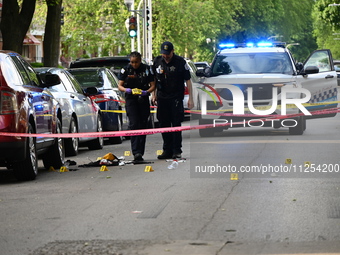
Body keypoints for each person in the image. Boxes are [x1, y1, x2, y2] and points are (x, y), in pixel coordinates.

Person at [152, 41, 194, 160]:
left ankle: (177, 150)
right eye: (164, 54)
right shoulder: (157, 61)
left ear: (172, 51)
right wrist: (153, 95)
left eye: (168, 54)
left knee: (176, 124)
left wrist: (190, 98)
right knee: (164, 124)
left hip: (175, 97)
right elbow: (154, 79)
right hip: (162, 97)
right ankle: (167, 150)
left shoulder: (180, 62)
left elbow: (188, 80)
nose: (166, 57)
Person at [118, 51, 155, 162]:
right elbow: (120, 85)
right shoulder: (126, 69)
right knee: (134, 124)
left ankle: (140, 151)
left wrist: (146, 92)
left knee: (143, 124)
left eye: (136, 62)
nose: (134, 64)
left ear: (140, 60)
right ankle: (136, 152)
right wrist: (127, 90)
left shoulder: (146, 69)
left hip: (142, 98)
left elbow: (153, 85)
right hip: (131, 99)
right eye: (132, 62)